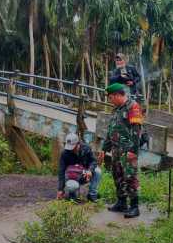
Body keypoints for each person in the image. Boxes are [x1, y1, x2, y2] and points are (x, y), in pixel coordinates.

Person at [98, 83, 143, 218]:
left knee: (130, 177)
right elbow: (111, 130)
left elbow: (137, 130)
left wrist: (133, 150)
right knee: (117, 175)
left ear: (118, 95)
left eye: (111, 98)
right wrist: (104, 149)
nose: (110, 101)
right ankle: (122, 202)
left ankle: (134, 206)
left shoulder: (133, 106)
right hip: (116, 150)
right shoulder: (117, 109)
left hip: (128, 150)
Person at [57, 133, 102, 202]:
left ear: (78, 144)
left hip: (85, 174)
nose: (71, 149)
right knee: (72, 187)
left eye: (73, 147)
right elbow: (61, 171)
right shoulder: (65, 153)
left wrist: (90, 170)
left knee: (97, 171)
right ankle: (72, 195)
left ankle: (92, 195)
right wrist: (60, 189)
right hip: (72, 177)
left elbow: (93, 161)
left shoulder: (86, 148)